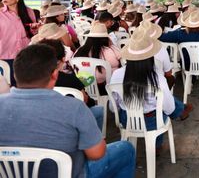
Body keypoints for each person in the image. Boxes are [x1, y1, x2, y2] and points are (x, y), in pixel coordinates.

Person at [0, 44, 136, 178]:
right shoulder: (74, 107)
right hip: (72, 173)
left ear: (15, 74)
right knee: (125, 149)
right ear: (54, 74)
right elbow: (96, 154)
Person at [110, 32, 192, 152]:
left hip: (126, 120)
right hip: (151, 122)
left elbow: (113, 107)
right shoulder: (157, 77)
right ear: (150, 57)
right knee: (159, 112)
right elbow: (169, 108)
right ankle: (156, 146)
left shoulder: (117, 74)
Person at [41, 38, 104, 131]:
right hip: (72, 122)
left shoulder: (35, 80)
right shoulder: (71, 80)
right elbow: (84, 100)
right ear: (63, 59)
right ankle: (98, 140)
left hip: (45, 122)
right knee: (99, 110)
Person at [0, 0, 37, 85]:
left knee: (27, 85)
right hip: (6, 56)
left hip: (26, 55)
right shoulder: (0, 14)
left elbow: (32, 34)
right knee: (10, 86)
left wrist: (34, 29)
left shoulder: (29, 12)